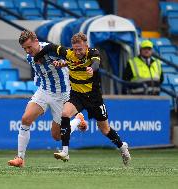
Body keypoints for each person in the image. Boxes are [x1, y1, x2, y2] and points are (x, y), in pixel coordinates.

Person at [34, 32, 131, 166]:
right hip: (77, 96)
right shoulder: (68, 53)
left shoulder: (93, 53)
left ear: (86, 46)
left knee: (105, 130)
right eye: (75, 49)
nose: (78, 52)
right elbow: (50, 47)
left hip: (94, 98)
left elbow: (96, 63)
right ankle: (65, 151)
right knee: (65, 114)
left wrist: (92, 68)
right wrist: (37, 57)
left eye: (80, 49)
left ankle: (122, 147)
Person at [8, 30, 87, 167]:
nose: (27, 51)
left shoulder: (52, 50)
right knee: (26, 119)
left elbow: (74, 58)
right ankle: (20, 158)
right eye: (24, 48)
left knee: (57, 136)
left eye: (29, 47)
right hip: (44, 91)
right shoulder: (30, 57)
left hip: (62, 95)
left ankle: (77, 121)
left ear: (36, 41)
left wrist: (63, 62)